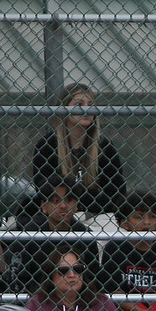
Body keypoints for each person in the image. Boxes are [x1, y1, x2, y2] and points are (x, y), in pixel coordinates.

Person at [30, 83, 127, 217]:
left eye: (90, 104)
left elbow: (116, 193)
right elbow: (46, 190)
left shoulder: (104, 147)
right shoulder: (48, 145)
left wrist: (80, 202)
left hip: (98, 216)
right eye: (79, 104)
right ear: (64, 108)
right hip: (58, 215)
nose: (86, 110)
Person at [9, 176, 98, 292]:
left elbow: (93, 279)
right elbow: (18, 279)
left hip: (77, 298)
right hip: (37, 300)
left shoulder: (85, 236)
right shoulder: (29, 235)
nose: (63, 206)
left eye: (69, 200)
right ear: (43, 206)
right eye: (56, 201)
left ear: (76, 205)